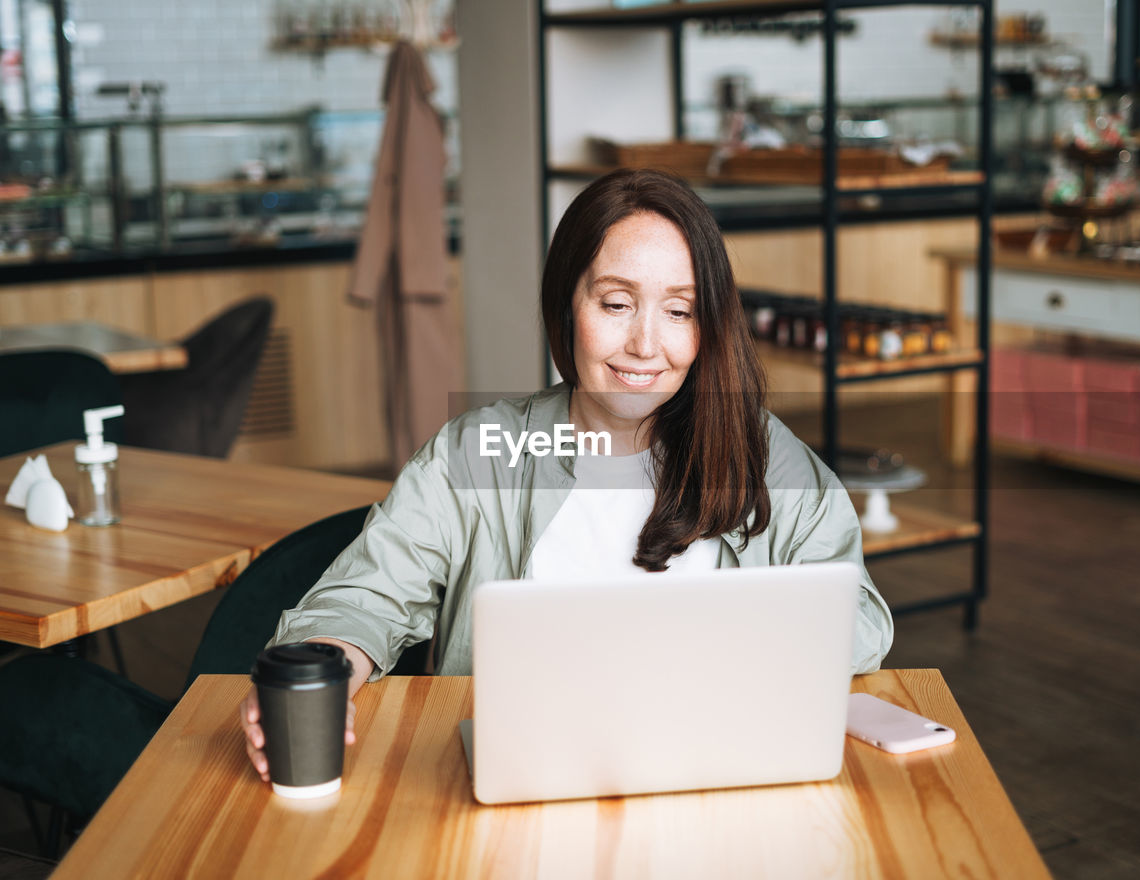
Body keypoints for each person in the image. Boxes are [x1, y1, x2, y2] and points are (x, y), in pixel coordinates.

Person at [240, 169, 893, 781]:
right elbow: (367, 596)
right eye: (615, 303)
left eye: (679, 311)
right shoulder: (480, 453)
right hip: (523, 778)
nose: (646, 344)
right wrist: (320, 671)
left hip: (711, 773)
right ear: (565, 305)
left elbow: (859, 620)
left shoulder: (769, 460)